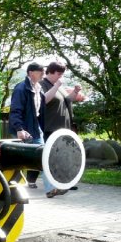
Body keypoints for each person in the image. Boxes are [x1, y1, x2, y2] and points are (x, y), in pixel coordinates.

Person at [9, 62, 63, 198]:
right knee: (19, 161)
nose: (43, 74)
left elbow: (39, 110)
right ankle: (13, 189)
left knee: (44, 156)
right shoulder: (21, 88)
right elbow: (15, 111)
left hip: (35, 128)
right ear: (31, 73)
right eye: (40, 72)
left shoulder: (38, 88)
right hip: (25, 130)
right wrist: (19, 129)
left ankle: (51, 188)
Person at [41, 61, 85, 190]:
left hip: (64, 128)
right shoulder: (42, 84)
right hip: (50, 128)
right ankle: (52, 185)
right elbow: (44, 100)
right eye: (59, 74)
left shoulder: (59, 85)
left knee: (65, 156)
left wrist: (75, 92)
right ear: (51, 72)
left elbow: (67, 100)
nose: (60, 76)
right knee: (51, 158)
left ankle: (66, 182)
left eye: (62, 74)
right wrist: (56, 86)